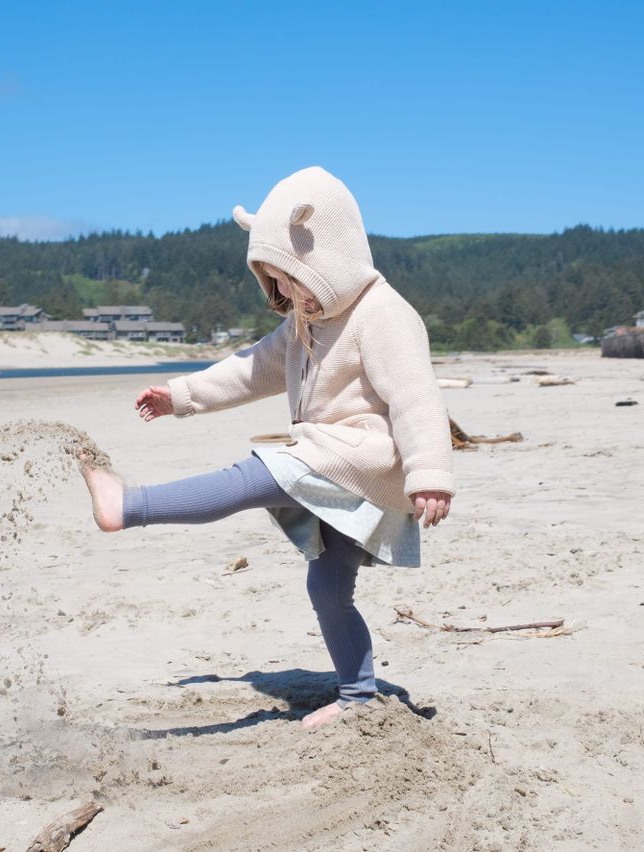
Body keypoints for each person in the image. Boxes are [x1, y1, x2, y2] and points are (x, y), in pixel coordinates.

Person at [79, 166, 454, 730]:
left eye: (291, 279)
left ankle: (129, 506)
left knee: (258, 473)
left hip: (359, 458)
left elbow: (416, 398)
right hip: (332, 462)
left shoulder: (384, 315)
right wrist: (180, 396)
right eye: (273, 282)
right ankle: (357, 695)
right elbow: (251, 369)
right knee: (328, 587)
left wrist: (430, 473)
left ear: (327, 256)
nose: (284, 295)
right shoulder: (308, 319)